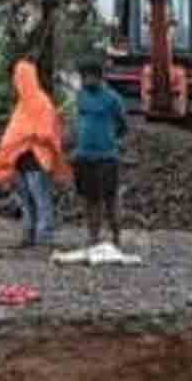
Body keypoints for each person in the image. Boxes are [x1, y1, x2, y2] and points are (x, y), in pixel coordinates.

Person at [0, 60, 72, 247]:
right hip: (21, 161)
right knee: (26, 200)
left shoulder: (41, 102)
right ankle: (29, 234)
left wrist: (26, 135)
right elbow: (14, 132)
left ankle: (44, 236)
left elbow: (47, 131)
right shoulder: (22, 104)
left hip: (37, 160)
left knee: (41, 199)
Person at [71, 57, 128, 246]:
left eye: (88, 77)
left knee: (110, 199)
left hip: (106, 157)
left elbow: (123, 125)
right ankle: (93, 237)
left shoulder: (112, 99)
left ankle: (116, 236)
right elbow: (78, 122)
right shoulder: (80, 96)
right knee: (90, 200)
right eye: (83, 77)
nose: (85, 80)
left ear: (98, 77)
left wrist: (110, 139)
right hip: (83, 156)